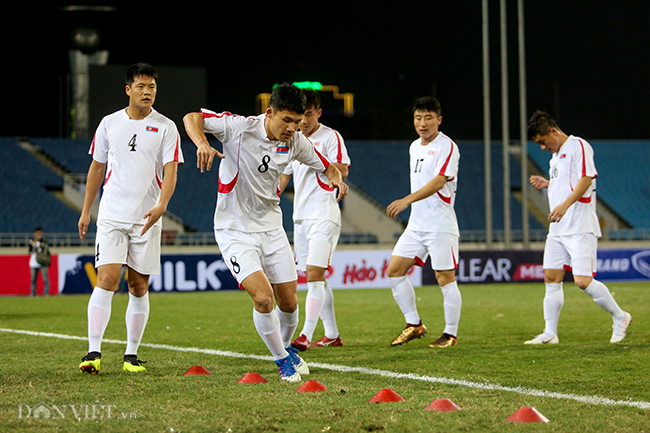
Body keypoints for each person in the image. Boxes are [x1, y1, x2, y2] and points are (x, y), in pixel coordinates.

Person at [183, 83, 348, 383]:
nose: (292, 128)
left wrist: (337, 179)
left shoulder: (296, 141)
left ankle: (284, 347)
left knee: (289, 304)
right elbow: (192, 117)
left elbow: (327, 166)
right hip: (234, 230)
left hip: (272, 229)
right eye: (286, 120)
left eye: (297, 122)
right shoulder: (238, 127)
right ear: (269, 112)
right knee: (263, 298)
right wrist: (201, 143)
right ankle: (283, 359)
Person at [77, 63, 183, 374]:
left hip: (146, 219)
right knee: (107, 279)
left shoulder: (166, 126)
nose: (147, 91)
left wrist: (163, 204)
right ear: (128, 89)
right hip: (111, 215)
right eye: (141, 86)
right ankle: (93, 352)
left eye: (152, 86)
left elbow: (171, 169)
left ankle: (131, 356)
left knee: (138, 286)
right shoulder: (109, 123)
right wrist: (86, 210)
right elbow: (97, 168)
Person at [524, 110, 631, 345]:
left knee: (583, 281)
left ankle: (620, 317)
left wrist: (563, 205)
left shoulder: (578, 145)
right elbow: (567, 182)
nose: (543, 147)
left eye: (543, 142)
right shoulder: (556, 156)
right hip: (558, 230)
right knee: (551, 278)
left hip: (579, 226)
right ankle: (550, 333)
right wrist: (548, 184)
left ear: (553, 131)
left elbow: (586, 179)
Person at [385, 96, 462, 348]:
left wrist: (406, 200)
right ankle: (414, 324)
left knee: (444, 277)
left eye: (428, 118)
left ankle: (450, 335)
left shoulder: (447, 146)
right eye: (418, 118)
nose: (423, 123)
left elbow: (440, 181)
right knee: (395, 270)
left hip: (440, 224)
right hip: (417, 225)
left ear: (439, 120)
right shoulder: (413, 147)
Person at [278, 89, 351, 351]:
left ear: (318, 113)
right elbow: (284, 175)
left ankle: (305, 334)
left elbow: (341, 169)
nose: (304, 122)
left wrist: (316, 161)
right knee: (315, 277)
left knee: (314, 275)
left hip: (324, 214)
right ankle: (332, 334)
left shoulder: (331, 137)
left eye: (308, 115)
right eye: (301, 117)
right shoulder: (293, 140)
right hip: (301, 218)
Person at [28, 226, 50, 296]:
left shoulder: (44, 241)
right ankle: (33, 292)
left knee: (45, 278)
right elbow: (30, 251)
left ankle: (46, 292)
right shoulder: (31, 242)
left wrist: (40, 242)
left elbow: (46, 250)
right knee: (33, 278)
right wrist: (34, 243)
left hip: (42, 261)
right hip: (33, 262)